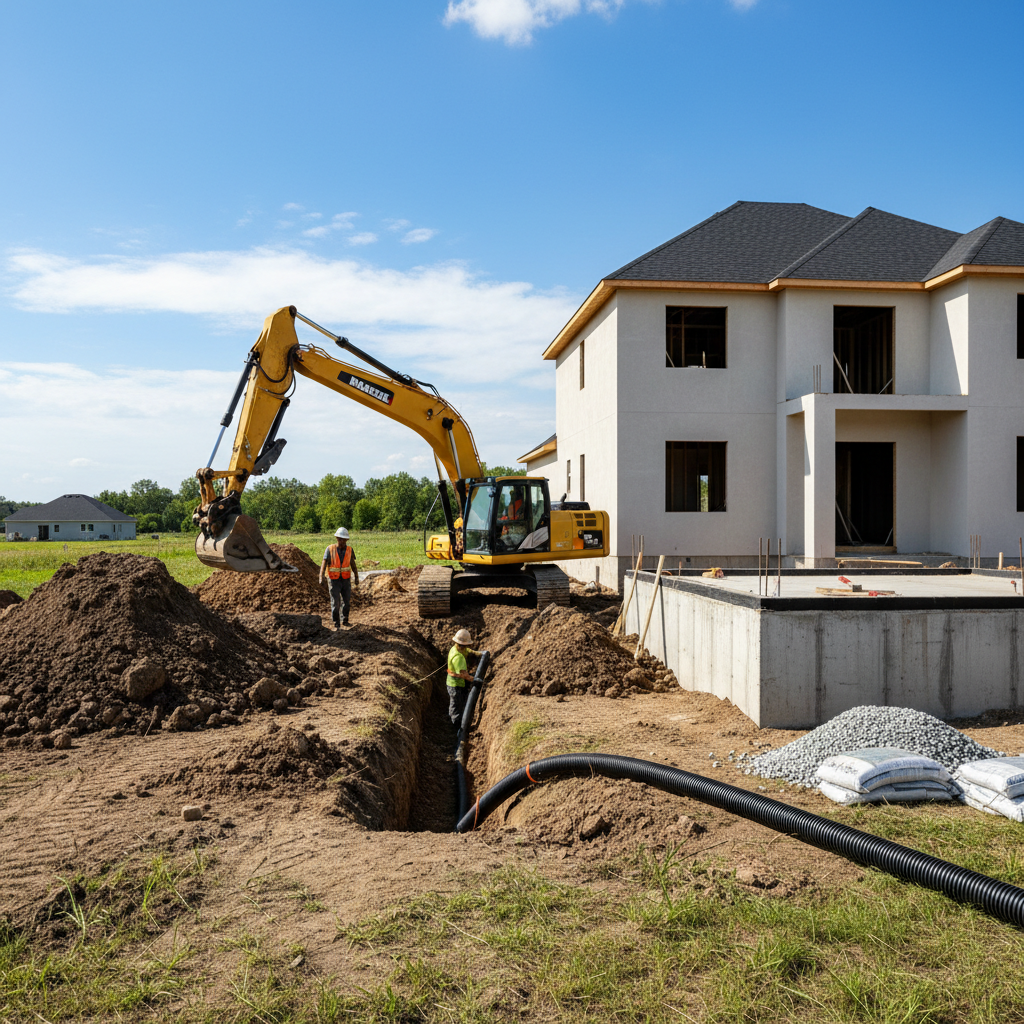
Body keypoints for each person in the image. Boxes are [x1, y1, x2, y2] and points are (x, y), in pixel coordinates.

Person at [318, 527, 360, 628]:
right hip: (333, 580)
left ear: (347, 540)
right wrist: (321, 576)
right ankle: (336, 622)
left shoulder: (349, 550)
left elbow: (352, 564)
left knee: (346, 602)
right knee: (335, 602)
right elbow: (324, 563)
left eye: (344, 539)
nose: (342, 541)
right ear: (336, 538)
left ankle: (345, 619)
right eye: (340, 539)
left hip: (345, 580)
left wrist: (356, 576)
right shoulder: (330, 549)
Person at [447, 628, 481, 727]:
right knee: (456, 705)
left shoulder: (455, 648)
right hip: (455, 685)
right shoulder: (458, 658)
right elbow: (464, 675)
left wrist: (477, 653)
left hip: (455, 682)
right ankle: (456, 725)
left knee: (458, 702)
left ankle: (457, 719)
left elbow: (467, 650)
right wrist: (474, 680)